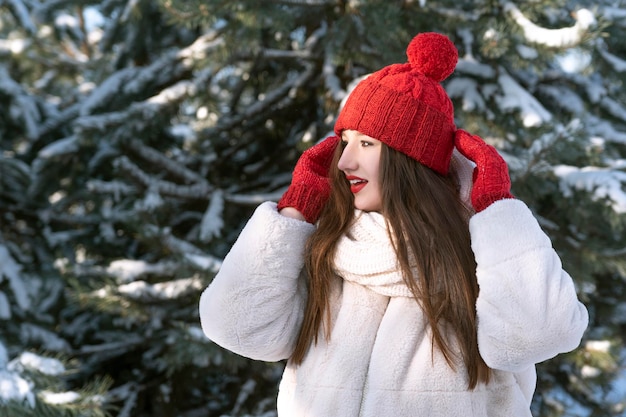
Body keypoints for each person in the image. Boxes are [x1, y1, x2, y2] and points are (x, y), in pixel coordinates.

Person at [199, 32, 588, 416]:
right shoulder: (329, 249)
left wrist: (497, 210)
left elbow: (538, 336)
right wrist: (296, 210)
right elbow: (237, 328)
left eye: (366, 144)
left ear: (410, 161)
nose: (344, 161)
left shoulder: (480, 256)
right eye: (345, 142)